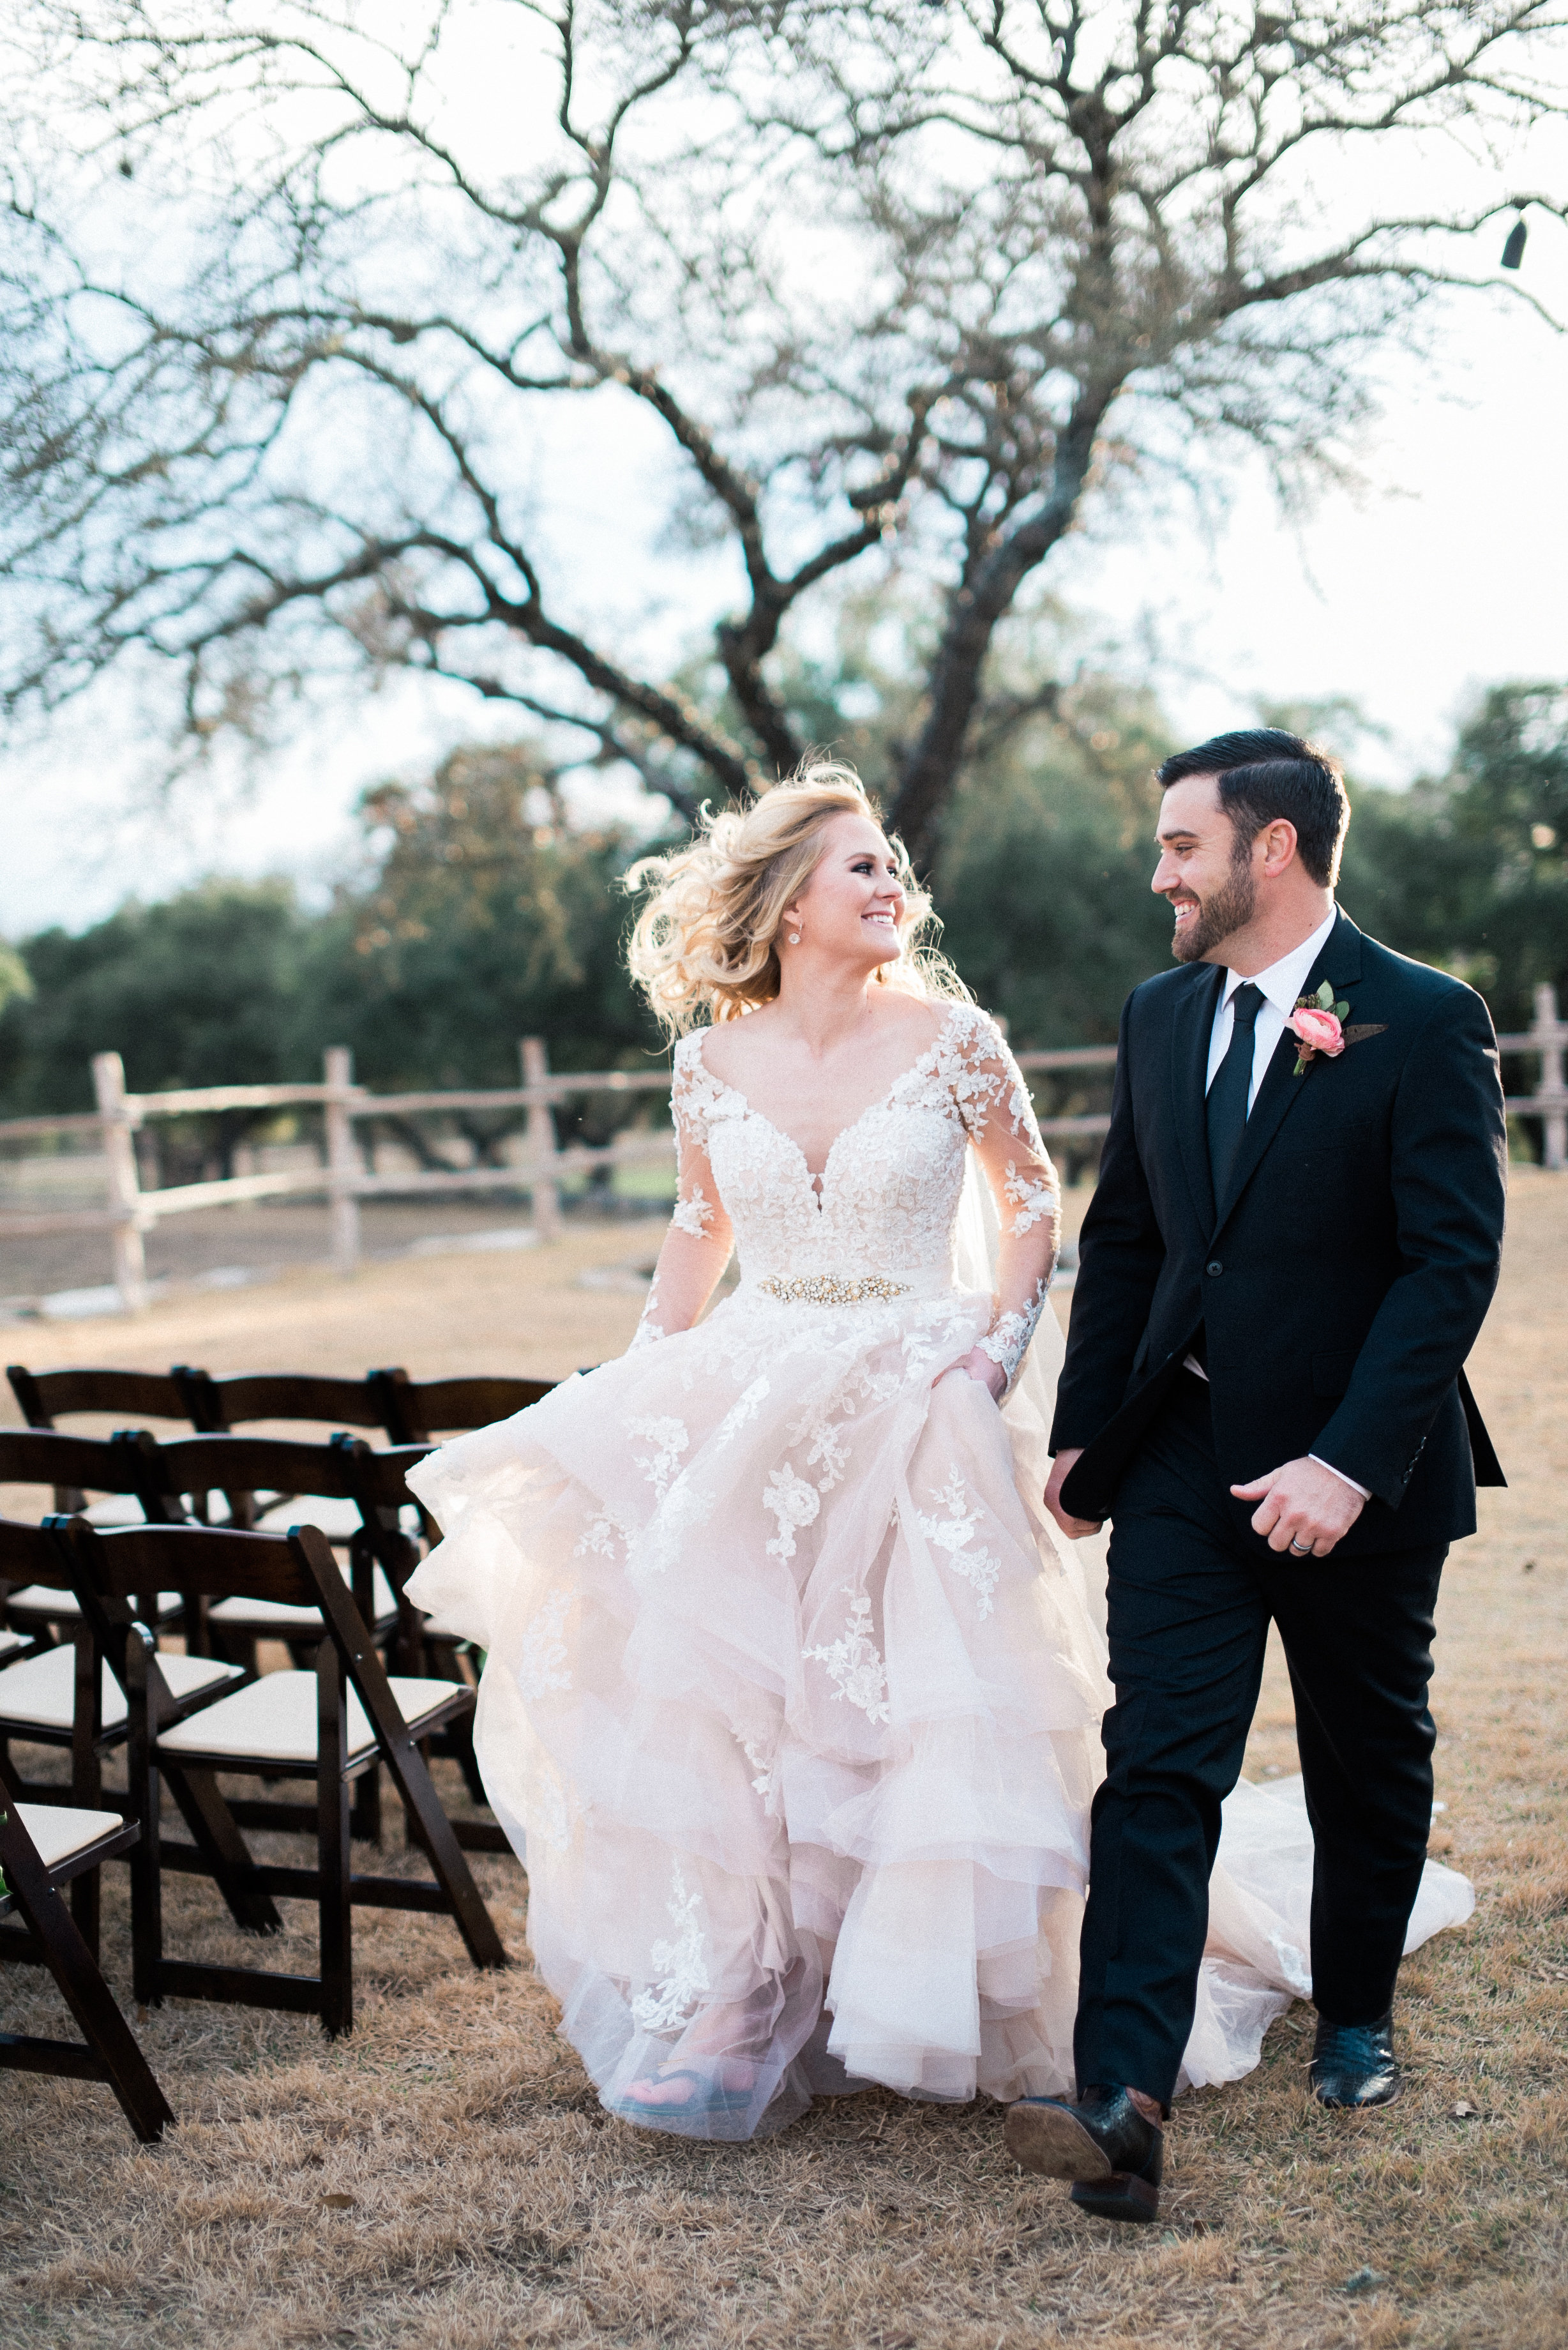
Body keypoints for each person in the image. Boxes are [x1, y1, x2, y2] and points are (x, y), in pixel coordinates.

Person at [403, 758, 1475, 2162]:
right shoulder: (730, 1058)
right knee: (782, 1719)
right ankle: (858, 2019)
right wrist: (649, 1369)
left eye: (1177, 846)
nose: (892, 881)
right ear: (790, 902)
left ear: (1266, 849)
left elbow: (1053, 1211)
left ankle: (1296, 2014)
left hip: (936, 1405)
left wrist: (997, 1353)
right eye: (862, 865)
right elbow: (709, 1227)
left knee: (998, 1720)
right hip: (786, 1403)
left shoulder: (986, 1034)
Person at [1007, 729, 1506, 2224]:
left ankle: (1355, 2013)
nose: (1157, 871)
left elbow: (1447, 1266)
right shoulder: (1159, 1014)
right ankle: (1120, 2099)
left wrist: (1348, 1466)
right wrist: (1086, 1430)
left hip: (1357, 1470)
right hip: (1177, 1460)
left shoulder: (1418, 1017)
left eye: (1179, 845)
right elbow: (1138, 1237)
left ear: (1268, 848)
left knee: (1367, 1753)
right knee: (1158, 1761)